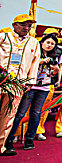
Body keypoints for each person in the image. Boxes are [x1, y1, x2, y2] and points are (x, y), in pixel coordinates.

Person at [4, 34, 59, 153]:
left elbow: (54, 72)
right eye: (47, 42)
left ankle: (29, 138)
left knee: (36, 113)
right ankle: (9, 138)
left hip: (44, 87)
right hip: (30, 86)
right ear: (42, 42)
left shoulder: (53, 57)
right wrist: (40, 62)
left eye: (52, 44)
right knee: (20, 113)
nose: (49, 45)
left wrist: (55, 70)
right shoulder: (33, 52)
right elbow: (26, 65)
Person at [0, 14, 40, 155]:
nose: (26, 28)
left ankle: (1, 145)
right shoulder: (3, 37)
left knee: (9, 115)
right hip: (1, 80)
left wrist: (30, 81)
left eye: (29, 25)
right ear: (14, 25)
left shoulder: (34, 42)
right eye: (23, 24)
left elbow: (35, 63)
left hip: (18, 84)